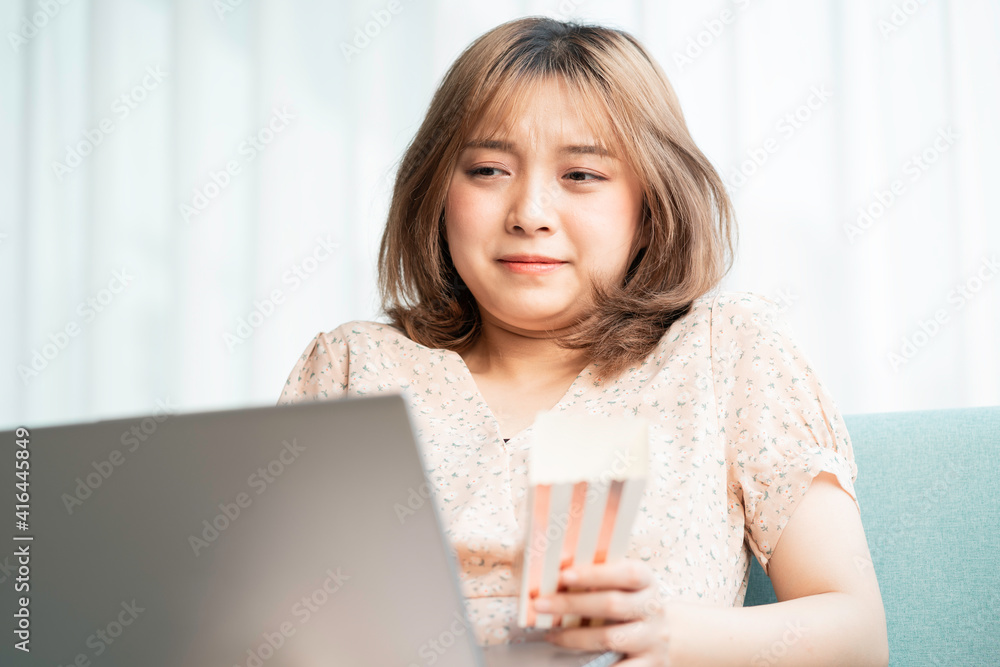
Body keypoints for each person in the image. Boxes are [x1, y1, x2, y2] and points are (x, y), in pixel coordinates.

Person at [278, 16, 888, 665]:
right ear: (437, 193)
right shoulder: (352, 367)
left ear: (650, 209)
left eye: (582, 175)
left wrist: (670, 635)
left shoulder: (726, 354)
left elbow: (857, 635)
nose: (530, 213)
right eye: (487, 169)